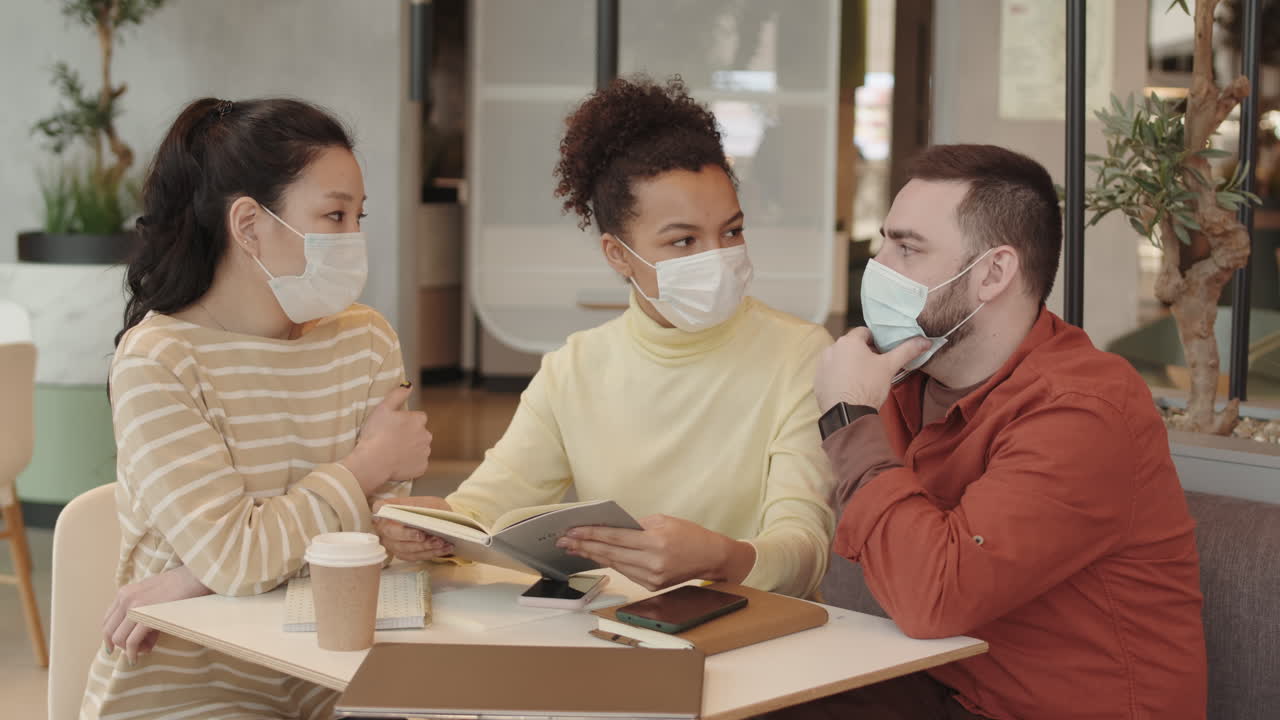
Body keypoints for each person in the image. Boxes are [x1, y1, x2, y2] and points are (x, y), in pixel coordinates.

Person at [786, 144, 1206, 719]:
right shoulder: (905, 377)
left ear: (992, 273)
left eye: (907, 248)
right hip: (942, 688)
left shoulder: (1084, 410)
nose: (877, 265)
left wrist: (847, 418)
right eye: (884, 240)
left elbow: (932, 596)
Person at [377, 76, 835, 598]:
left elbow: (805, 549)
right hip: (624, 632)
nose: (717, 258)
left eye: (731, 231)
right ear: (618, 254)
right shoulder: (575, 367)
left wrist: (721, 557)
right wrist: (431, 530)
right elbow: (482, 508)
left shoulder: (801, 353)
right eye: (683, 240)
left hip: (763, 637)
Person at [84, 97, 432, 720]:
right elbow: (249, 554)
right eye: (334, 215)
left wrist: (198, 575)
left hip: (336, 676)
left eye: (359, 216)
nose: (354, 238)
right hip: (189, 688)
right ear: (248, 225)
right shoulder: (158, 362)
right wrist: (367, 466)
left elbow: (369, 534)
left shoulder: (366, 339)